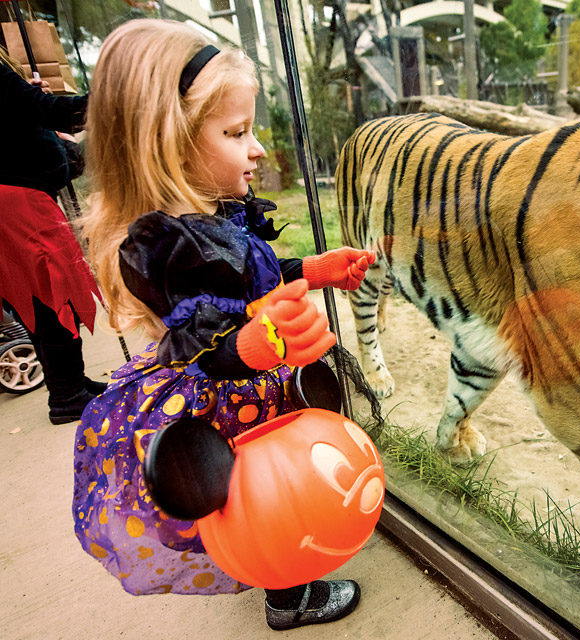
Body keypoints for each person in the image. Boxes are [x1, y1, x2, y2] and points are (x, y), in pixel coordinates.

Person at [72, 20, 376, 631]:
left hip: (253, 378)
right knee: (271, 500)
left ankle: (283, 576)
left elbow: (251, 277)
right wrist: (258, 342)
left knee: (273, 491)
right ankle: (291, 598)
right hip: (228, 395)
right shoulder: (165, 243)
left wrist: (310, 270)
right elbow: (199, 337)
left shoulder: (215, 214)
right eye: (236, 132)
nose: (258, 148)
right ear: (170, 143)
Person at [0, 45, 104, 424]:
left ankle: (69, 384)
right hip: (17, 199)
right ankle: (66, 394)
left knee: (38, 295)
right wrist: (113, 97)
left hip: (14, 197)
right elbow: (50, 111)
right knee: (54, 293)